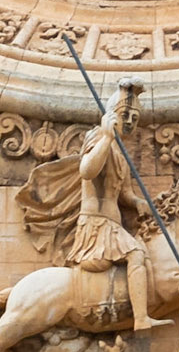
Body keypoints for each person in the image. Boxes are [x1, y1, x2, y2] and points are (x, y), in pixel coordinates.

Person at [70, 79, 164, 331]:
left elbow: (125, 194)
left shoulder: (121, 154)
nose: (130, 122)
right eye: (125, 115)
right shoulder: (98, 137)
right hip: (96, 226)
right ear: (111, 115)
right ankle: (141, 318)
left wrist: (139, 202)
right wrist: (106, 138)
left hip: (112, 225)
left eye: (135, 117)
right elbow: (87, 170)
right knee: (136, 253)